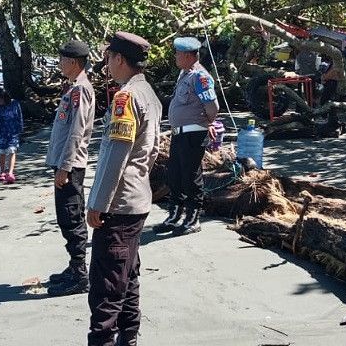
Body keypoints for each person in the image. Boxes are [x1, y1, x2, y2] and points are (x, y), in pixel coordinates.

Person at [86, 32, 161, 346]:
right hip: (138, 199)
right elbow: (154, 150)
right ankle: (128, 338)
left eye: (108, 59)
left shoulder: (126, 97)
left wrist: (97, 203)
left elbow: (116, 155)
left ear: (118, 59)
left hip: (118, 204)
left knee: (106, 288)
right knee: (127, 277)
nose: (107, 66)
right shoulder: (149, 93)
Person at [153, 37, 220, 236]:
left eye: (178, 53)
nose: (175, 56)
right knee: (175, 175)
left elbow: (212, 106)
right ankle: (174, 215)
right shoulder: (185, 74)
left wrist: (206, 123)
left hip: (193, 133)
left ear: (189, 56)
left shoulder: (200, 77)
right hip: (179, 133)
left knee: (191, 176)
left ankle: (193, 218)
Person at [45, 40, 96, 297]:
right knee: (65, 217)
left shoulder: (81, 90)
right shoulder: (74, 88)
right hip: (65, 163)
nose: (60, 63)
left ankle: (80, 273)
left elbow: (77, 132)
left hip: (71, 165)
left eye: (63, 59)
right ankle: (74, 265)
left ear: (74, 62)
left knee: (72, 216)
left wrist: (64, 167)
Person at [0, 88, 23, 184]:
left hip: (13, 132)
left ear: (6, 97)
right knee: (2, 152)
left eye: (1, 98)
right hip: (3, 133)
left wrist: (20, 128)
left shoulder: (15, 104)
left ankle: (10, 172)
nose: (0, 101)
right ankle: (2, 172)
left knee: (12, 151)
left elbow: (19, 117)